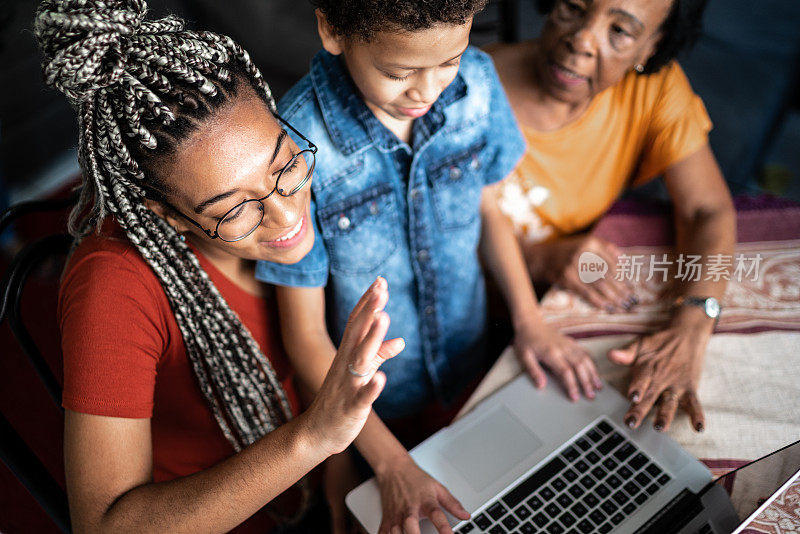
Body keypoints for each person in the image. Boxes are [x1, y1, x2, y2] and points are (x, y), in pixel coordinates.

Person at [37, 0, 406, 532]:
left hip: (324, 475)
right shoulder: (112, 287)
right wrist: (316, 438)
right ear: (166, 215)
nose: (286, 214)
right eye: (234, 209)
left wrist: (338, 458)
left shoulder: (300, 178)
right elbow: (105, 526)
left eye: (282, 162)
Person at [255, 2, 604, 532]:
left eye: (450, 61)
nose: (427, 90)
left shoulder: (479, 83)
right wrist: (372, 458)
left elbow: (488, 208)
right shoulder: (295, 147)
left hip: (473, 363)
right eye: (397, 72)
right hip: (372, 410)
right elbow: (303, 334)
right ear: (332, 29)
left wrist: (529, 322)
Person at [487, 0, 736, 434]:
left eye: (620, 31)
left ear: (651, 46)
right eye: (572, 8)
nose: (581, 40)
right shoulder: (464, 85)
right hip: (477, 324)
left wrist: (693, 322)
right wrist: (537, 256)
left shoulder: (653, 89)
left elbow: (706, 210)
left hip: (561, 317)